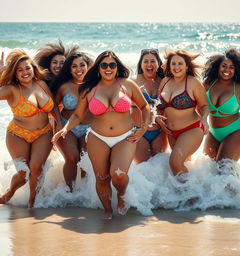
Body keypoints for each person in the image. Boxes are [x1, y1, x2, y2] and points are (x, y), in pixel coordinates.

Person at [52, 50, 150, 219]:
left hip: (125, 137)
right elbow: (77, 115)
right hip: (98, 137)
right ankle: (107, 210)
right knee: (102, 177)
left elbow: (144, 106)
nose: (108, 68)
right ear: (98, 68)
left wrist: (143, 127)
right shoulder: (89, 89)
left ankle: (121, 194)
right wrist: (65, 129)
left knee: (118, 174)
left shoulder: (127, 84)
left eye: (112, 64)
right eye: (104, 65)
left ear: (117, 66)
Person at [0, 49, 61, 207]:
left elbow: (53, 107)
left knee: (36, 168)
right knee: (23, 174)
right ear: (15, 74)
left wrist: (59, 125)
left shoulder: (41, 84)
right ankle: (10, 192)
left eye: (27, 68)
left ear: (33, 68)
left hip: (43, 133)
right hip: (17, 135)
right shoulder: (12, 90)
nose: (24, 72)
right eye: (19, 70)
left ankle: (32, 202)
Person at [157, 50, 209, 178]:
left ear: (186, 66)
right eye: (173, 64)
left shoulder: (192, 82)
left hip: (191, 129)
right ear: (169, 66)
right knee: (182, 164)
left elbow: (204, 106)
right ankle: (186, 194)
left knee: (175, 162)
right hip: (171, 132)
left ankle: (193, 196)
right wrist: (156, 116)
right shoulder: (165, 81)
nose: (176, 67)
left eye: (180, 63)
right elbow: (158, 105)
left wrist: (204, 119)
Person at [202, 48, 240, 162]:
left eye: (232, 67)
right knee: (208, 167)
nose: (227, 69)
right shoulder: (208, 84)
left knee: (224, 167)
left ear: (237, 70)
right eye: (224, 66)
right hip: (214, 132)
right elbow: (197, 105)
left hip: (237, 131)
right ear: (218, 66)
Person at [51, 52, 94, 191]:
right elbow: (53, 105)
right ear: (69, 69)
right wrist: (59, 123)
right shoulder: (64, 86)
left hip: (87, 128)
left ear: (88, 67)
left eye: (82, 65)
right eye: (74, 66)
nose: (78, 68)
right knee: (72, 158)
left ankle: (83, 194)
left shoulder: (94, 86)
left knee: (85, 160)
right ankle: (69, 191)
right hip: (66, 126)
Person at [132, 48, 169, 163]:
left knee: (158, 170)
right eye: (145, 61)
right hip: (139, 132)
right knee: (143, 170)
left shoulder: (164, 81)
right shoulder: (133, 82)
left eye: (153, 61)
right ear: (141, 64)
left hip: (159, 132)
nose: (149, 64)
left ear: (158, 63)